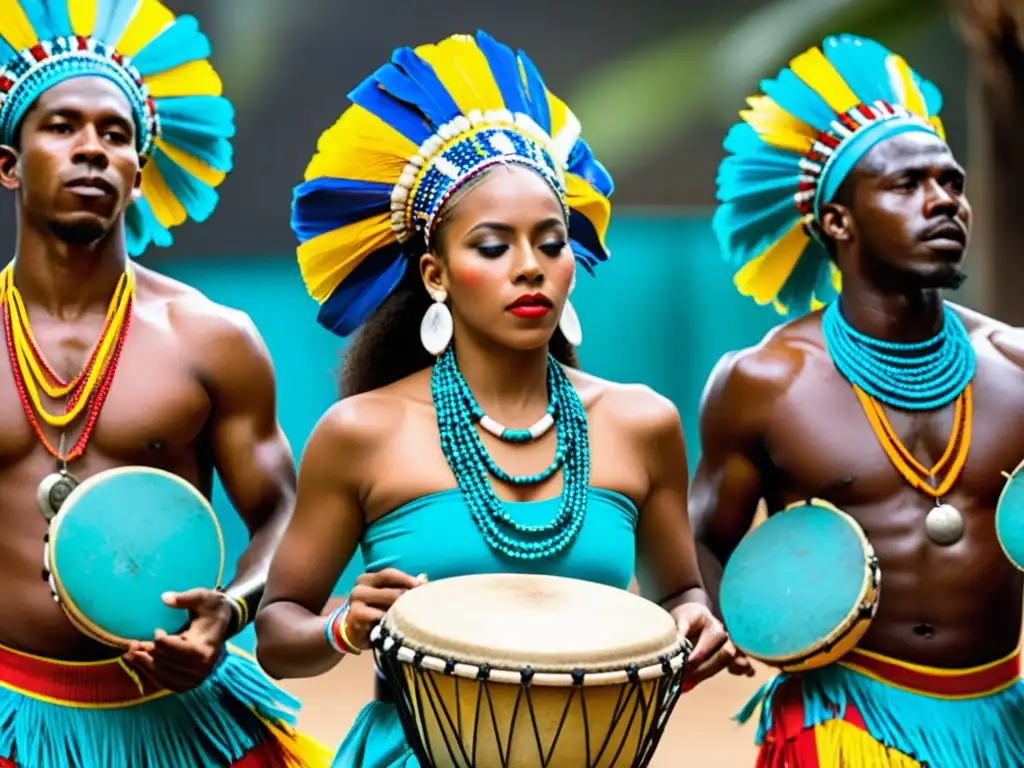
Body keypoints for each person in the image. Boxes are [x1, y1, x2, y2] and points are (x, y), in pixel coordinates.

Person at [254, 29, 737, 767]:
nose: (530, 267)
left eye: (550, 243)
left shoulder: (642, 423)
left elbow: (682, 596)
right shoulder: (362, 432)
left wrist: (697, 621)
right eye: (492, 246)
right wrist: (344, 626)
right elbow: (278, 636)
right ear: (436, 274)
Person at [0, 1, 329, 765]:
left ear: (139, 173)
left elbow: (287, 516)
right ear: (9, 164)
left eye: (115, 135)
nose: (92, 150)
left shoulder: (211, 339)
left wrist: (231, 611)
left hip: (172, 719)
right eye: (61, 127)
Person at [692, 27, 1024, 768]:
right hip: (844, 721)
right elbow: (708, 534)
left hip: (1003, 718)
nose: (943, 202)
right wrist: (744, 624)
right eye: (907, 185)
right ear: (837, 221)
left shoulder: (1016, 364)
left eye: (952, 182)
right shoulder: (765, 382)